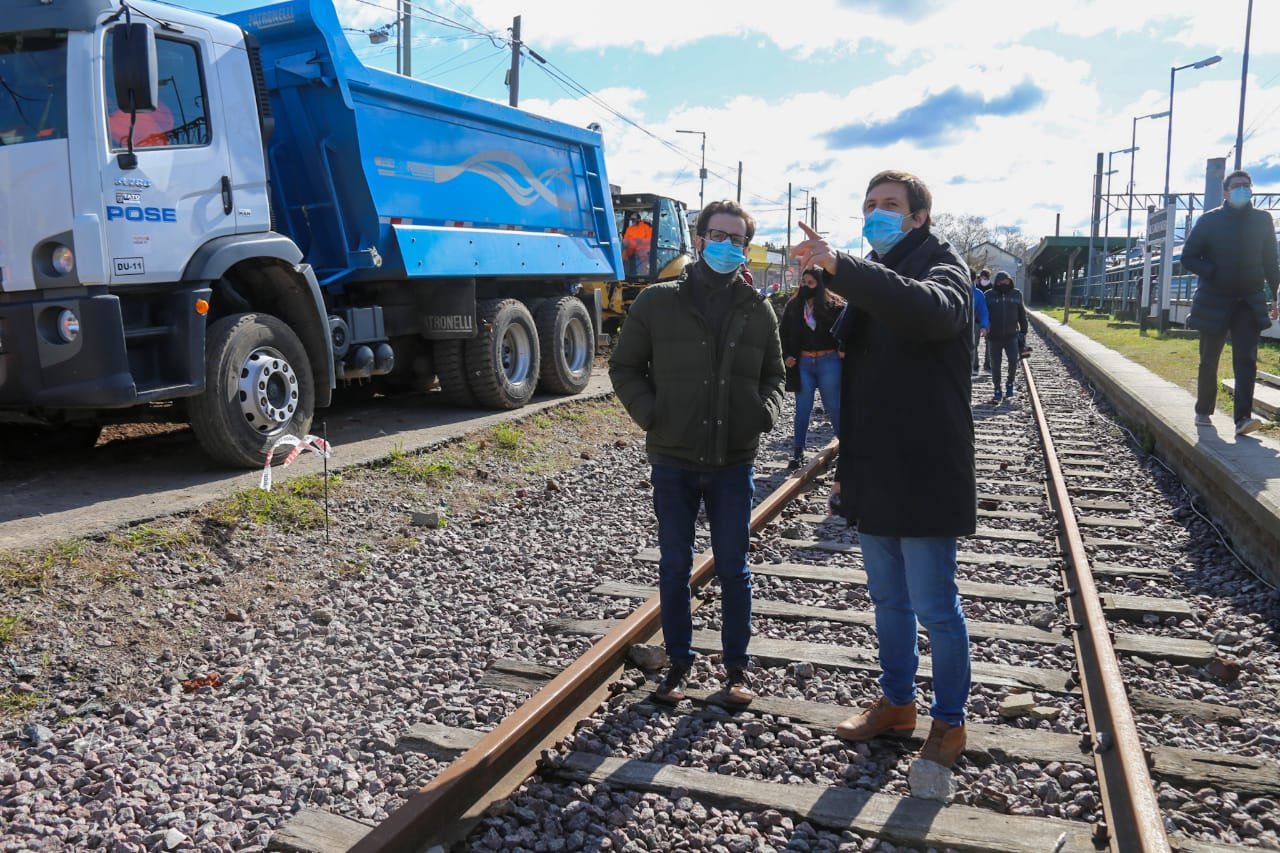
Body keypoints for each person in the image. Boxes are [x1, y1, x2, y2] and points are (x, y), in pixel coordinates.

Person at [791, 169, 973, 770]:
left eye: (890, 205)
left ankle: (949, 723)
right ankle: (897, 703)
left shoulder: (944, 267)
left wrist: (846, 266)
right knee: (887, 601)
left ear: (919, 216)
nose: (877, 212)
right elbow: (862, 387)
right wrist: (847, 467)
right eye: (870, 204)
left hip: (924, 469)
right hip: (875, 468)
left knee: (935, 606)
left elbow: (928, 311)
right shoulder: (871, 278)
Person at [610, 198, 785, 709]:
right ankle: (678, 665)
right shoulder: (657, 302)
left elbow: (775, 375)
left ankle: (735, 670)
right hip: (673, 458)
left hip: (734, 461)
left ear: (745, 247)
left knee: (734, 567)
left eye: (737, 240)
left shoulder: (758, 309)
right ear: (700, 237)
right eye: (718, 235)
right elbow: (625, 368)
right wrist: (653, 416)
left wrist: (763, 414)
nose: (727, 246)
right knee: (674, 565)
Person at [1181, 169, 1280, 436]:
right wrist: (1213, 272)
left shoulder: (1262, 220)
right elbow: (1188, 257)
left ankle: (1243, 419)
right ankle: (1203, 410)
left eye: (1247, 186)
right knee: (1208, 359)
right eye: (1237, 186)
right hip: (1215, 300)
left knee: (1246, 360)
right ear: (1225, 192)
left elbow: (1272, 260)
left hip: (1248, 300)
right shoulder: (1209, 221)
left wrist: (1276, 295)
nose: (1243, 190)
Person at [780, 266, 846, 468]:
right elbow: (782, 334)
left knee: (833, 405)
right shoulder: (793, 307)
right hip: (804, 362)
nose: (805, 286)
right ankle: (798, 452)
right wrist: (787, 355)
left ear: (820, 284)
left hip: (829, 361)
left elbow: (847, 330)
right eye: (804, 282)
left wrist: (843, 349)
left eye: (810, 283)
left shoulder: (834, 306)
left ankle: (846, 447)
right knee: (802, 407)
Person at [984, 271, 1027, 403]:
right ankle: (997, 389)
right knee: (995, 365)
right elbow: (983, 314)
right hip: (993, 337)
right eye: (1001, 281)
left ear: (1010, 281)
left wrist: (1023, 331)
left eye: (1006, 281)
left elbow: (1022, 314)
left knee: (1013, 361)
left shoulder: (1016, 294)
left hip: (1011, 336)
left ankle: (1010, 384)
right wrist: (984, 327)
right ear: (996, 282)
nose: (1004, 283)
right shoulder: (988, 295)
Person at [622, 213, 654, 279]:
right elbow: (625, 240)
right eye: (631, 219)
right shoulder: (629, 229)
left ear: (639, 219)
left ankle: (642, 275)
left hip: (643, 249)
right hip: (631, 248)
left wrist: (640, 242)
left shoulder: (646, 227)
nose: (632, 221)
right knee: (623, 255)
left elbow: (650, 240)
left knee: (641, 256)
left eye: (633, 219)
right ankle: (624, 275)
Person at [971, 277, 989, 376]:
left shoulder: (978, 294)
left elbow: (983, 311)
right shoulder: (956, 289)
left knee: (973, 345)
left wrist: (984, 326)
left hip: (974, 324)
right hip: (959, 324)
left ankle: (974, 366)